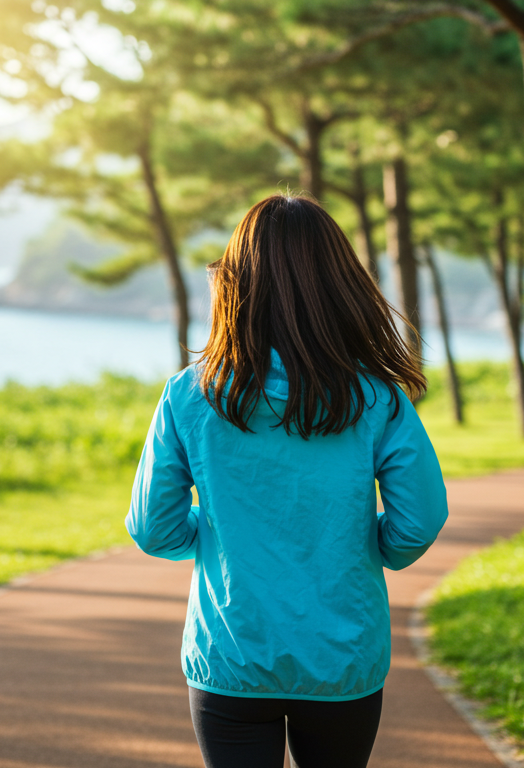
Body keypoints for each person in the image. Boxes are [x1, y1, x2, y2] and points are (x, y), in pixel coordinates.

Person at [126, 194, 449, 768]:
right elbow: (417, 524)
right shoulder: (377, 398)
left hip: (232, 653)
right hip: (341, 658)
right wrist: (365, 545)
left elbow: (155, 529)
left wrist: (218, 529)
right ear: (341, 285)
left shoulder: (189, 394)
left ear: (236, 284)